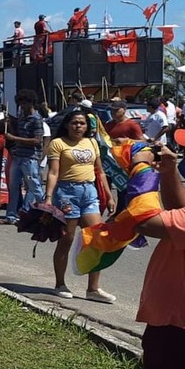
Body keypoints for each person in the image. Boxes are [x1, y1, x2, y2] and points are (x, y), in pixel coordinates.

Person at [89, 147, 184, 369]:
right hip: (170, 324)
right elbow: (178, 210)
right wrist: (170, 170)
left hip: (179, 327)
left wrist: (140, 167)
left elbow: (149, 222)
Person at [45, 110, 116, 301]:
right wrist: (49, 197)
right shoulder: (58, 143)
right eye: (75, 123)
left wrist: (109, 196)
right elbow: (53, 172)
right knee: (66, 240)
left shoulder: (92, 142)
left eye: (82, 123)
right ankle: (60, 284)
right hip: (66, 194)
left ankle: (93, 289)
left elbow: (100, 171)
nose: (78, 126)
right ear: (67, 125)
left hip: (89, 193)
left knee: (97, 239)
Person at [0, 90, 46, 225]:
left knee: (34, 186)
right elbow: (19, 135)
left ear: (31, 103)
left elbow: (37, 140)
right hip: (18, 156)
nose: (22, 106)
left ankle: (46, 213)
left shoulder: (36, 119)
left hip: (30, 158)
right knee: (13, 187)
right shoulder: (21, 118)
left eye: (24, 103)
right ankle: (11, 216)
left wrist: (14, 138)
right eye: (20, 103)